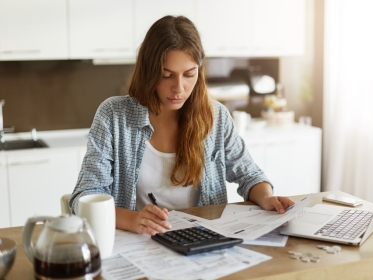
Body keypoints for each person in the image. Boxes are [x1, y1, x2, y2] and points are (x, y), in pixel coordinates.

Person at [69, 15, 294, 236]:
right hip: (139, 242)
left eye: (189, 74)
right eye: (167, 75)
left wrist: (266, 197)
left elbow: (250, 175)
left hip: (202, 240)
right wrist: (133, 220)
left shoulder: (216, 117)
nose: (179, 88)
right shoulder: (113, 116)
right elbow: (84, 198)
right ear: (149, 72)